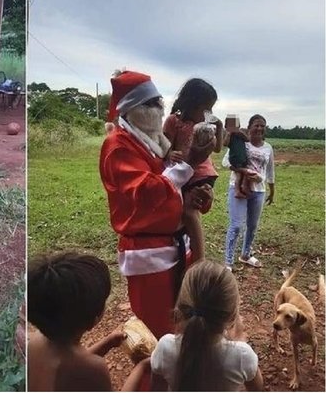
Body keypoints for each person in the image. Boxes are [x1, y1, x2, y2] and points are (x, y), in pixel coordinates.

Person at [100, 69, 214, 342]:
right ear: (133, 109)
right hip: (149, 256)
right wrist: (190, 163)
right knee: (158, 333)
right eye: (152, 105)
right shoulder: (118, 145)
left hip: (174, 245)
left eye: (160, 103)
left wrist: (191, 197)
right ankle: (156, 381)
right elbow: (146, 191)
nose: (159, 111)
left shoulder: (149, 143)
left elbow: (166, 187)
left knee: (181, 321)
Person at [27, 251, 151, 391]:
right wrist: (141, 368)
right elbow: (80, 366)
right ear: (95, 320)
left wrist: (108, 342)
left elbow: (74, 364)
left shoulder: (32, 342)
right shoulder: (94, 369)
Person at [150, 259, 264, 391]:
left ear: (181, 309)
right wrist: (237, 341)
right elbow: (257, 388)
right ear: (232, 316)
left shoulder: (165, 347)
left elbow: (156, 388)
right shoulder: (242, 356)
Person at [163, 78, 224, 263]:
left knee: (190, 211)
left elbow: (218, 149)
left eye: (211, 109)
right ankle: (187, 252)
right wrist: (170, 154)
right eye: (206, 109)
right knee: (182, 215)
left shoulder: (206, 127)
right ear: (192, 104)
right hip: (182, 174)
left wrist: (219, 128)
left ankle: (199, 261)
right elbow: (164, 148)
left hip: (203, 174)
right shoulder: (174, 121)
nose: (209, 114)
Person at [223, 114, 275, 269]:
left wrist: (272, 191)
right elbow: (226, 162)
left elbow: (270, 171)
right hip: (237, 187)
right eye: (256, 125)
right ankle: (228, 261)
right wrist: (244, 171)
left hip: (259, 191)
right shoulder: (241, 142)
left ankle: (246, 254)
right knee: (236, 225)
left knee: (252, 226)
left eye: (262, 126)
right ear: (250, 126)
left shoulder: (268, 148)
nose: (259, 128)